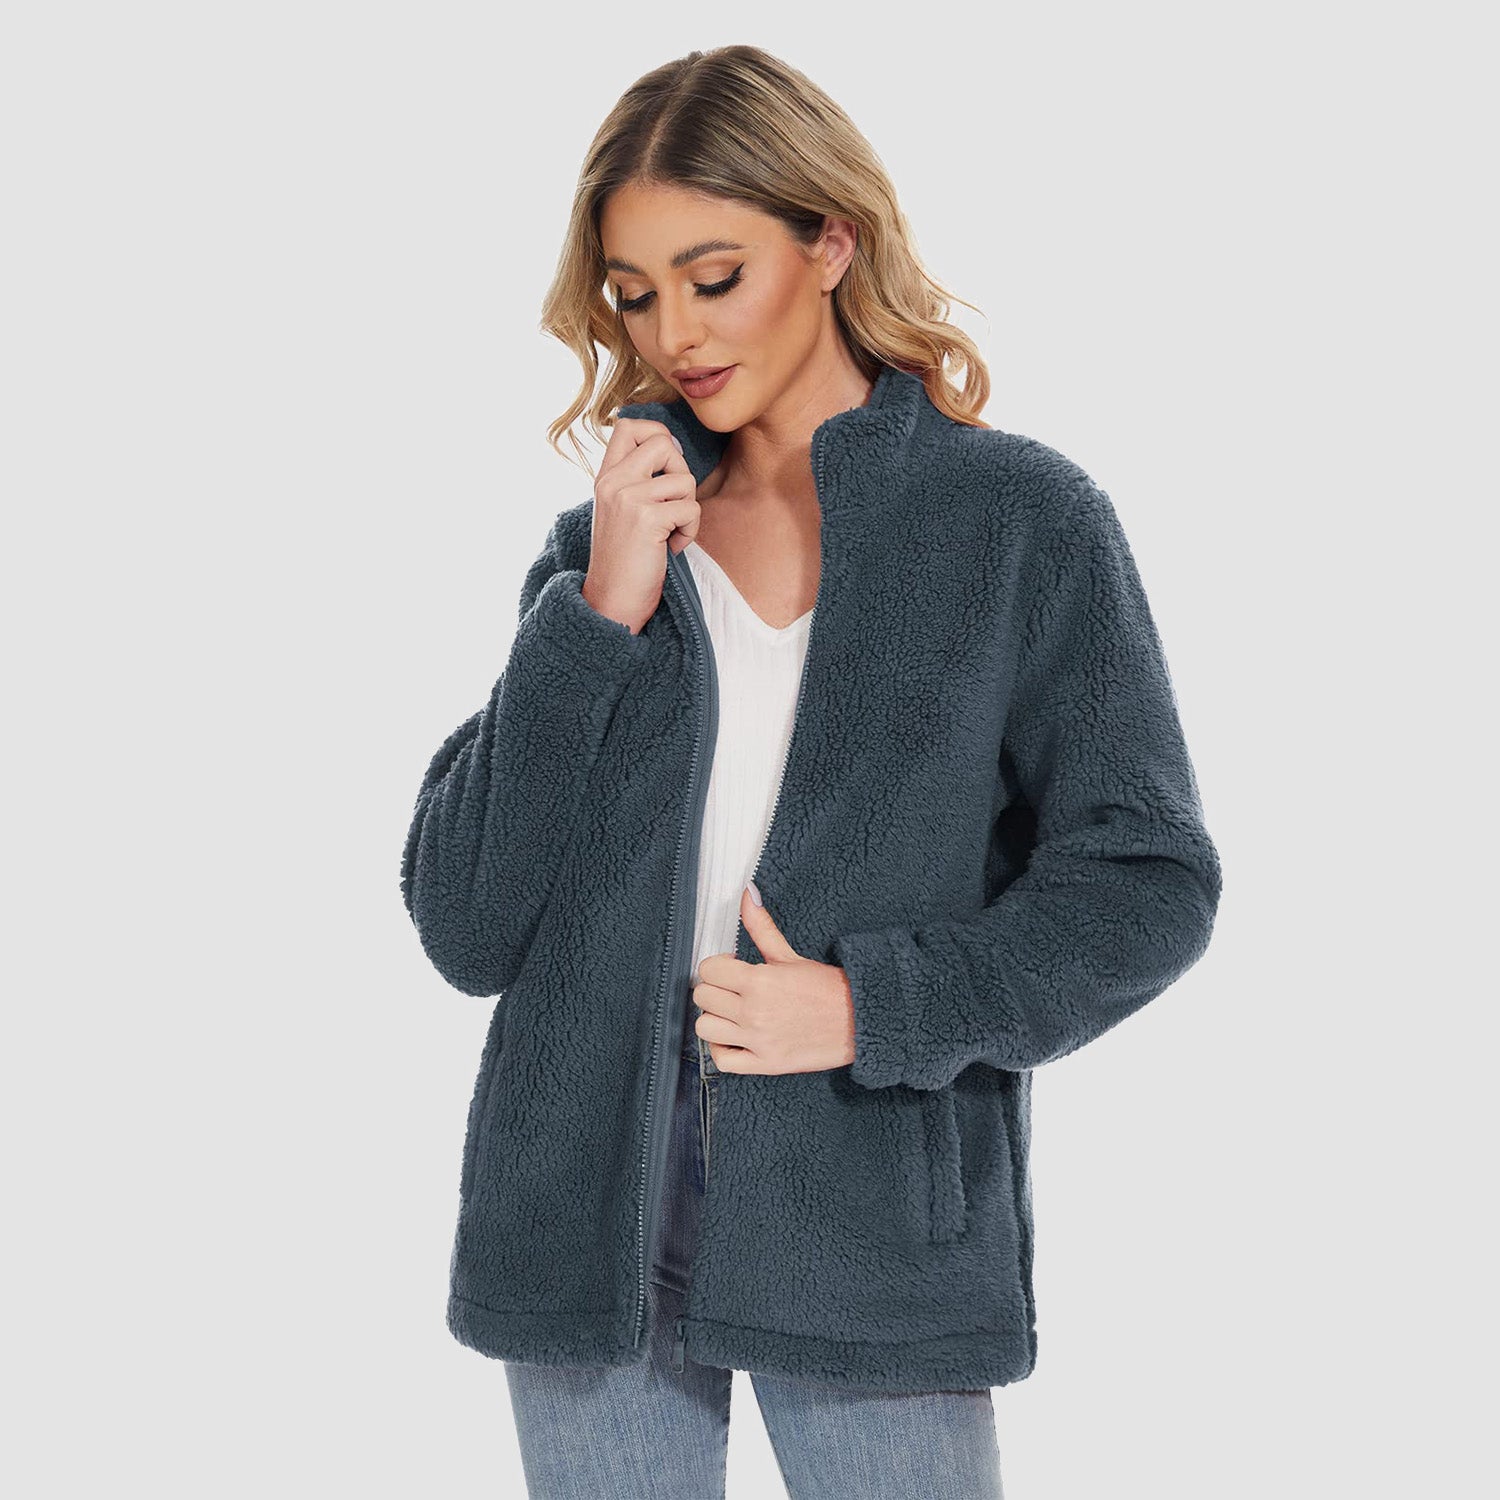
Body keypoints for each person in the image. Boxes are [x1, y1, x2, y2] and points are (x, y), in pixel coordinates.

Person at [400, 43, 1222, 1500]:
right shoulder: (604, 554)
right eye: (634, 294)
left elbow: (1146, 883)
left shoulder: (1016, 522)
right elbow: (466, 920)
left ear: (831, 239)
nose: (674, 334)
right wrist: (598, 611)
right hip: (588, 1216)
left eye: (714, 277)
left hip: (868, 1211)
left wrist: (873, 1006)